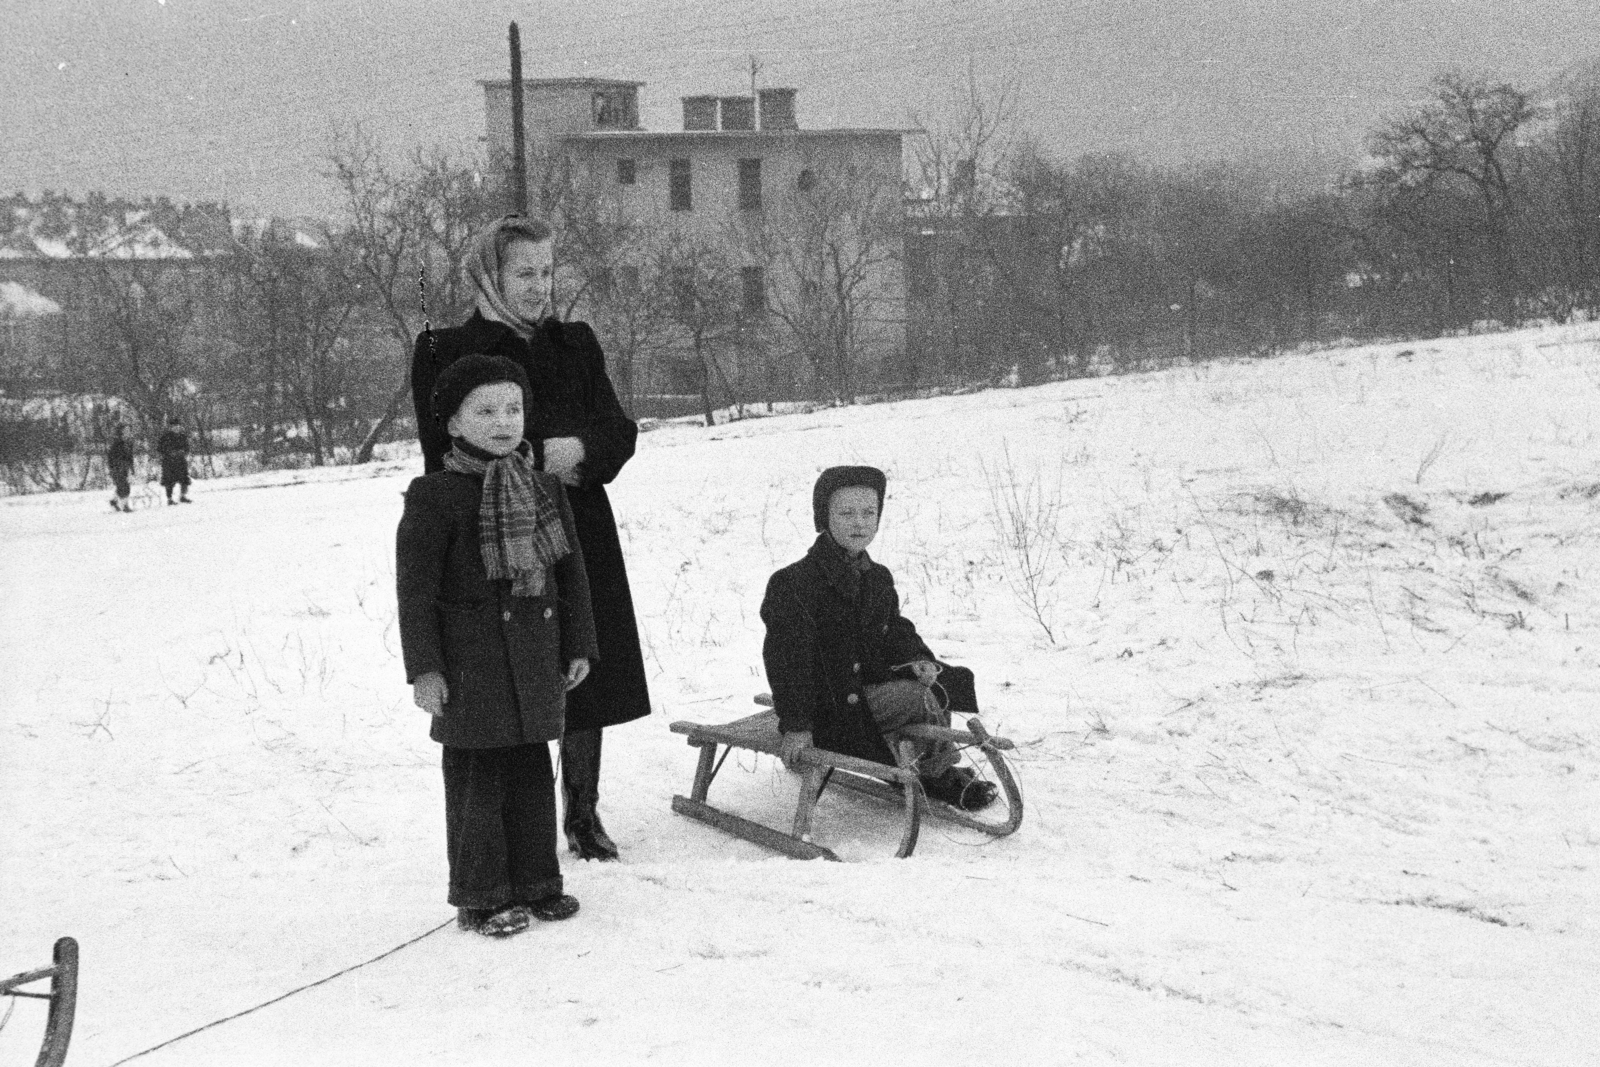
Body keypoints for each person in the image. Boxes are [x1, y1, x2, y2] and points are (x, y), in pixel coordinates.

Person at [411, 214, 651, 861]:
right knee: (507, 680)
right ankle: (517, 824)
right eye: (524, 272)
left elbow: (616, 429)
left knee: (583, 671)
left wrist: (578, 446)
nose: (538, 285)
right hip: (492, 540)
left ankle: (584, 813)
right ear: (491, 273)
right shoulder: (449, 350)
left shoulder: (575, 343)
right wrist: (536, 454)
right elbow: (443, 452)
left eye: (546, 271)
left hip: (581, 531)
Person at [397, 354, 596, 938]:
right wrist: (425, 670)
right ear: (454, 424)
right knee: (478, 782)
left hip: (534, 658)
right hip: (472, 667)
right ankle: (481, 896)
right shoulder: (434, 496)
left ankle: (538, 883)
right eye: (485, 409)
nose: (504, 420)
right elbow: (416, 594)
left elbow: (572, 575)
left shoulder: (543, 488)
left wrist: (578, 643)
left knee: (532, 774)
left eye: (513, 407)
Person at [760, 466, 999, 811]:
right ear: (823, 517)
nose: (859, 522)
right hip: (827, 708)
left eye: (868, 512)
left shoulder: (877, 577)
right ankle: (937, 775)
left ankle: (916, 759)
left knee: (945, 683)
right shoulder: (794, 583)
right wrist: (797, 725)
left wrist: (919, 659)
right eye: (845, 513)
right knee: (916, 698)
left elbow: (895, 629)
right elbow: (786, 660)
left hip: (861, 690)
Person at [156, 417, 192, 504]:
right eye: (174, 426)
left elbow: (187, 448)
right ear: (170, 427)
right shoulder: (165, 437)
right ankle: (169, 499)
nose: (176, 428)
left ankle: (183, 496)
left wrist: (183, 452)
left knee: (184, 479)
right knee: (169, 480)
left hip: (181, 461)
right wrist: (170, 453)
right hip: (169, 462)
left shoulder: (183, 436)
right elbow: (160, 449)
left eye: (178, 426)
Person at [106, 424, 135, 513]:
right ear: (121, 432)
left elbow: (130, 458)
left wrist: (132, 468)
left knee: (122, 486)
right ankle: (124, 506)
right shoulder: (117, 443)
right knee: (124, 487)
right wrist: (114, 468)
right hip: (117, 468)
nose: (128, 432)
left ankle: (114, 501)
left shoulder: (129, 443)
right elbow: (111, 457)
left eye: (129, 430)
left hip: (125, 468)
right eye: (125, 430)